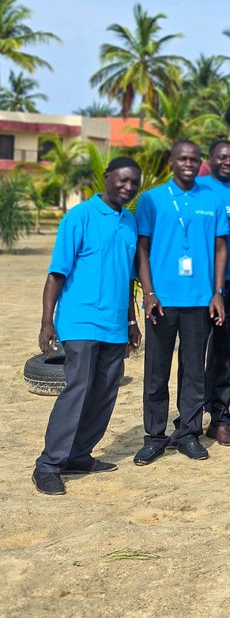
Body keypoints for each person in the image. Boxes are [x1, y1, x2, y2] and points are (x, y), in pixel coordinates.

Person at [32, 157, 143, 496]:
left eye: (133, 183)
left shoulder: (130, 223)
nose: (127, 187)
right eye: (122, 180)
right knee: (78, 390)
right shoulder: (79, 216)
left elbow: (126, 278)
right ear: (107, 177)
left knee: (105, 392)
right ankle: (48, 465)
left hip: (114, 325)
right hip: (80, 321)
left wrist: (130, 321)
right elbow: (57, 273)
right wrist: (47, 322)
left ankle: (79, 455)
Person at [134, 141, 228, 465]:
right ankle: (154, 436)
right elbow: (142, 250)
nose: (188, 163)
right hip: (161, 301)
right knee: (156, 372)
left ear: (200, 162)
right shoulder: (152, 199)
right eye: (182, 158)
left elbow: (220, 249)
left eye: (194, 159)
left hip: (199, 300)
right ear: (171, 161)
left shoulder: (212, 200)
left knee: (194, 373)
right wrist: (148, 293)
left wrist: (218, 293)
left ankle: (188, 433)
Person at [195, 141, 230, 447]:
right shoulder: (198, 188)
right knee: (199, 354)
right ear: (210, 159)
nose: (228, 161)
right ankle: (195, 417)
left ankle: (220, 420)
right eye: (221, 157)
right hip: (199, 284)